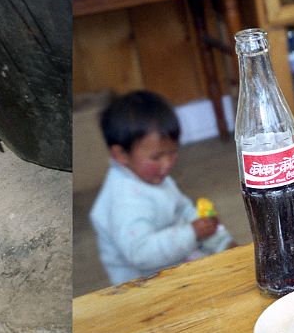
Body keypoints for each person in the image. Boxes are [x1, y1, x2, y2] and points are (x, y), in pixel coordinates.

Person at [89, 91, 234, 286]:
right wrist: (192, 233)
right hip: (141, 285)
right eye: (156, 157)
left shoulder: (155, 177)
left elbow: (183, 208)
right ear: (121, 154)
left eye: (172, 152)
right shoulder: (123, 199)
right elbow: (140, 254)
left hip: (173, 259)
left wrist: (217, 238)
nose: (167, 164)